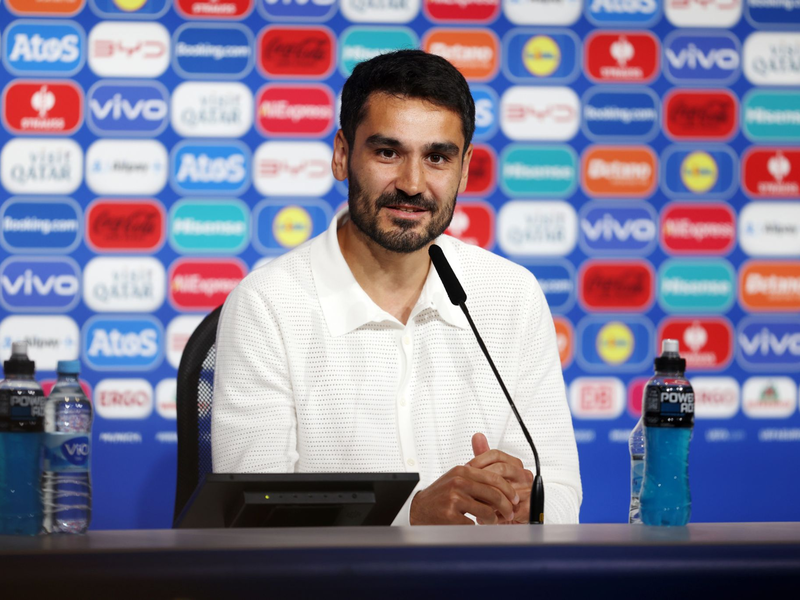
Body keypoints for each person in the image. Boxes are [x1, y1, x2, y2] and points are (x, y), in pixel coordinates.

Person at [211, 50, 581, 525]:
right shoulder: (266, 305)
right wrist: (412, 519)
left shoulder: (512, 295)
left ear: (464, 168)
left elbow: (564, 492)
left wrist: (533, 505)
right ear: (343, 155)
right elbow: (255, 522)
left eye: (437, 157)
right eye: (388, 152)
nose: (412, 184)